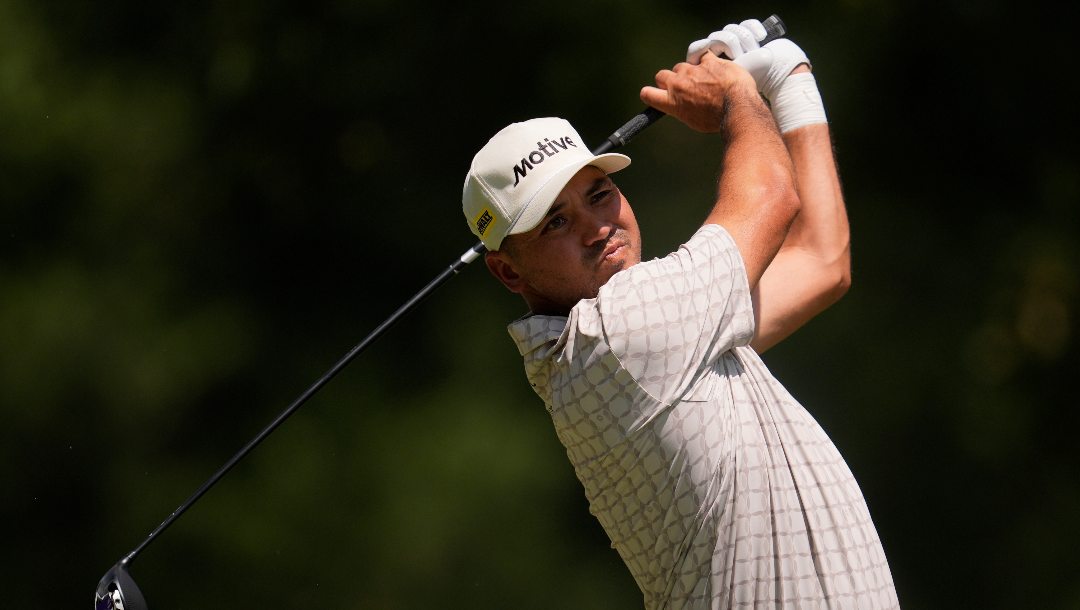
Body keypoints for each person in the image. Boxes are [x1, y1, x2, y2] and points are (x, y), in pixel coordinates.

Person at [461, 18, 900, 609]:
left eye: (599, 194)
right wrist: (740, 98)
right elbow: (772, 195)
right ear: (509, 272)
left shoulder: (673, 334)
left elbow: (823, 261)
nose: (597, 228)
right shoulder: (617, 338)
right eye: (556, 222)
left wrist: (791, 84)